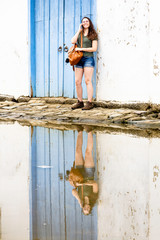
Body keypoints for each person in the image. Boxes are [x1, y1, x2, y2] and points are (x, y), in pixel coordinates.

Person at [68, 131, 99, 215]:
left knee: (78, 151)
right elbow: (95, 184)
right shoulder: (94, 198)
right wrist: (81, 184)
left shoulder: (81, 199)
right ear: (90, 208)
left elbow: (73, 191)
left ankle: (80, 131)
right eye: (87, 210)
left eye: (84, 209)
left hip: (80, 174)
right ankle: (89, 132)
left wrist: (79, 201)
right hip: (89, 175)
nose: (86, 208)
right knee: (87, 153)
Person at [71, 17, 98, 110]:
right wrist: (79, 30)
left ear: (89, 23)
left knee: (87, 80)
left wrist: (81, 49)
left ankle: (90, 103)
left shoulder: (93, 34)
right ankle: (80, 102)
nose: (85, 23)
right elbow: (72, 41)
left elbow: (94, 49)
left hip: (88, 59)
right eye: (83, 22)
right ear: (81, 24)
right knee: (77, 81)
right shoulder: (80, 34)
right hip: (79, 59)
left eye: (87, 21)